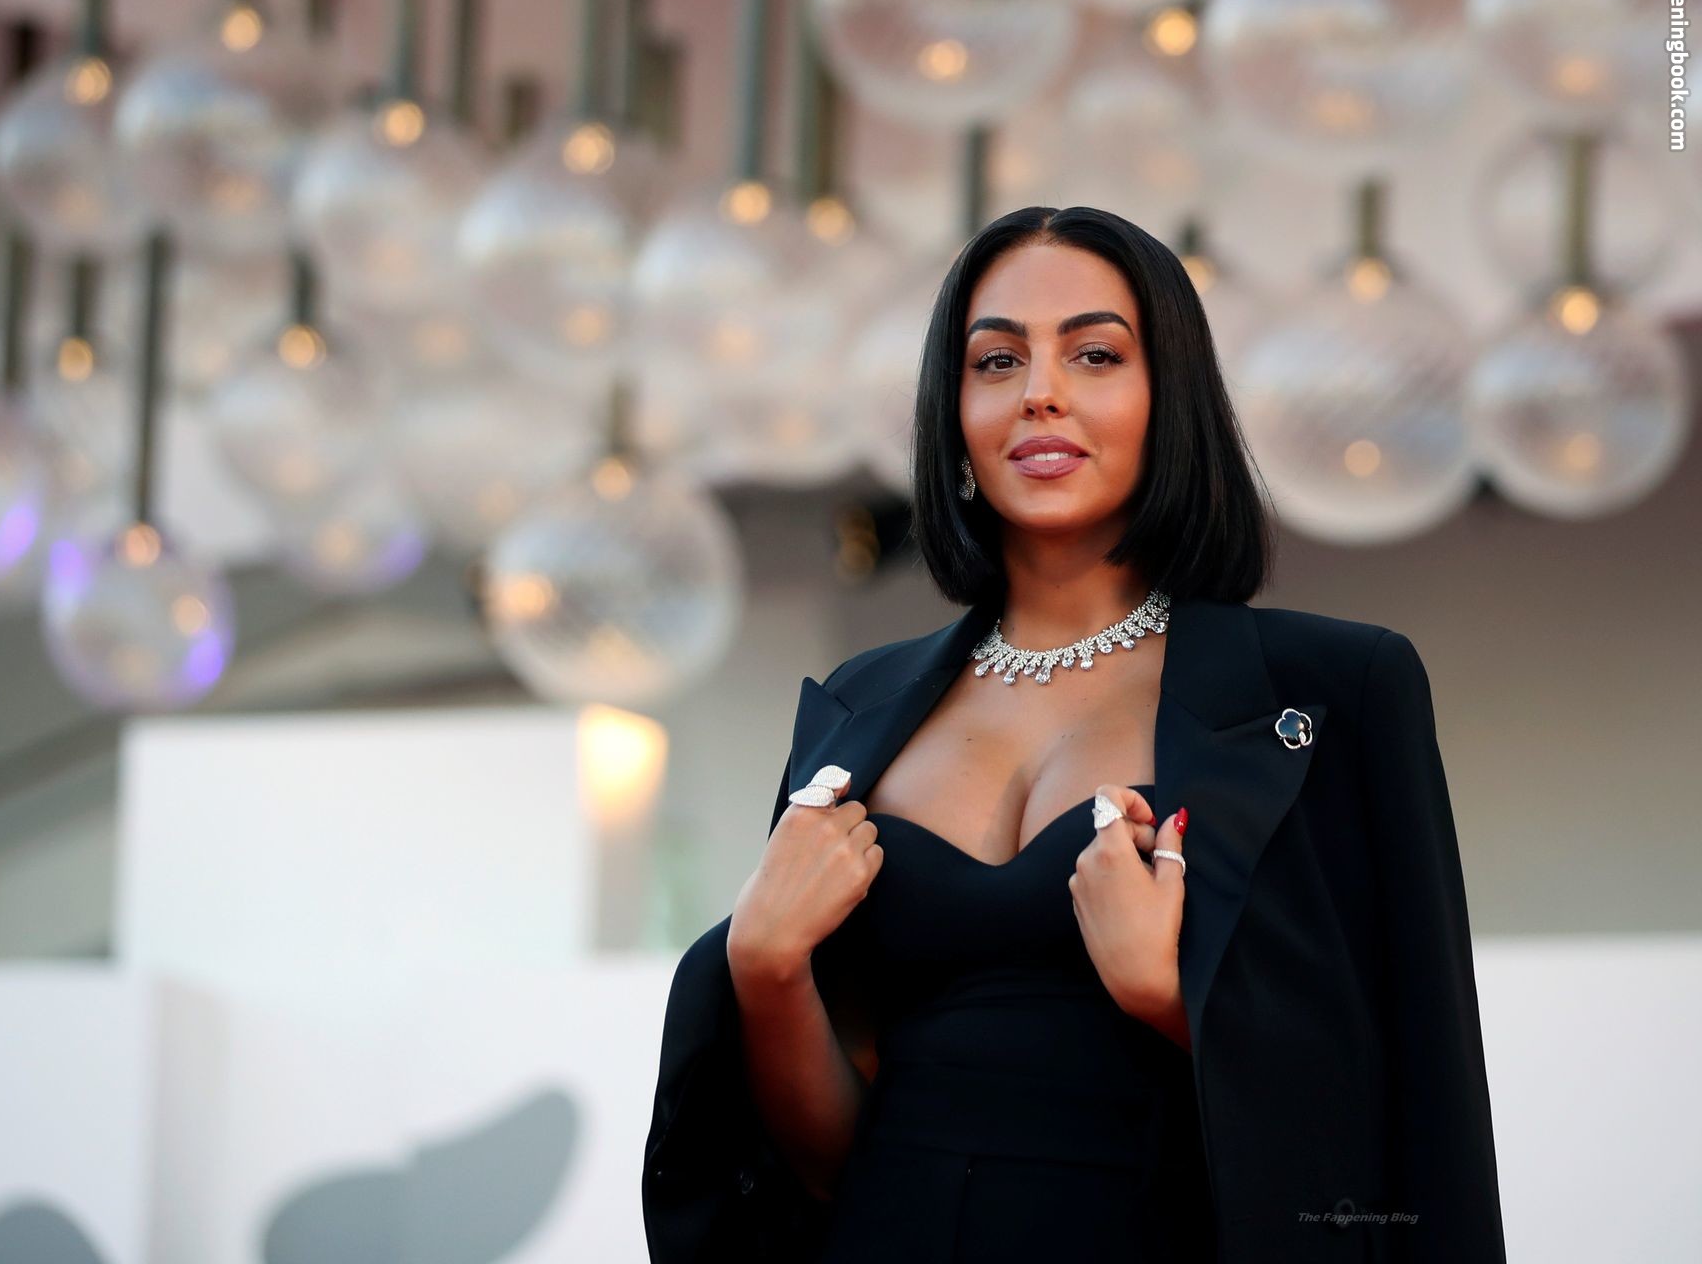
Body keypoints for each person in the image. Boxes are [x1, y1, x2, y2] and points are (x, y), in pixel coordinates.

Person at [642, 206, 1506, 1263]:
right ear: (954, 413)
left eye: (1095, 354)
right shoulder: (856, 709)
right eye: (996, 360)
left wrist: (1171, 997)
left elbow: (1413, 1101)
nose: (1039, 391)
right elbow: (828, 1169)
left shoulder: (1337, 691)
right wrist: (766, 966)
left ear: (1169, 400)